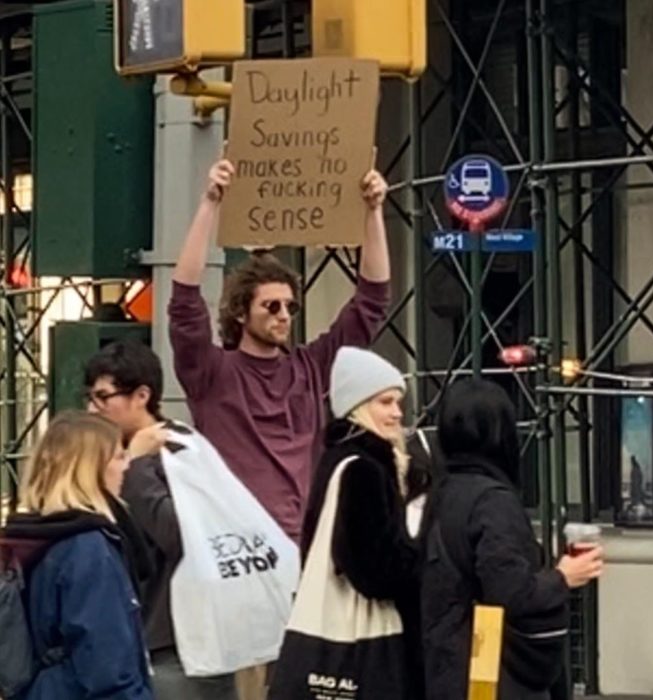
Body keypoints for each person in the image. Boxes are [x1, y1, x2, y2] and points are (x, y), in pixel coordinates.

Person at [170, 157, 390, 700]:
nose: (284, 314)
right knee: (251, 684)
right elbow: (183, 301)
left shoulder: (310, 367)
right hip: (244, 560)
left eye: (290, 306)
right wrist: (210, 204)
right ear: (242, 312)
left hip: (308, 554)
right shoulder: (213, 373)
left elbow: (371, 300)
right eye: (272, 306)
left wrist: (373, 212)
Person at [421, 379, 603, 700]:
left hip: (442, 666)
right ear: (501, 433)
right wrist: (563, 577)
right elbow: (510, 591)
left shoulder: (437, 493)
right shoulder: (492, 501)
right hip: (490, 671)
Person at [84, 339, 235, 699]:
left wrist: (135, 467)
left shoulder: (180, 449)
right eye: (90, 396)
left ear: (141, 396)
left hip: (180, 643)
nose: (93, 407)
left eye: (104, 397)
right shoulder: (105, 451)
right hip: (136, 638)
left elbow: (181, 533)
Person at [293, 346, 422, 699]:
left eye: (398, 401)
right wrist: (425, 563)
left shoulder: (336, 461)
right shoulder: (365, 469)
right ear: (357, 406)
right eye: (384, 402)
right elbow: (375, 570)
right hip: (367, 642)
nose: (397, 413)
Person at [1, 411, 153, 700]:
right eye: (119, 457)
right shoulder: (88, 549)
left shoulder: (31, 537)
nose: (127, 466)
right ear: (91, 468)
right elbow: (107, 664)